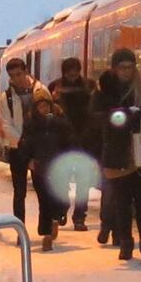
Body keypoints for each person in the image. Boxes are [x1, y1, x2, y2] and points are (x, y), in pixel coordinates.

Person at [94, 48, 141, 264]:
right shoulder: (104, 90)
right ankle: (126, 241)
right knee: (122, 201)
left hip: (140, 152)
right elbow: (96, 118)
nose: (127, 71)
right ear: (114, 69)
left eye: (130, 67)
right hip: (116, 152)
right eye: (122, 67)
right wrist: (121, 115)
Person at [0, 58, 45, 226]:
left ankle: (45, 227)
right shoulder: (5, 97)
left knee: (42, 189)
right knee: (19, 192)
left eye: (19, 74)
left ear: (26, 71)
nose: (17, 78)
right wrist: (22, 141)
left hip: (39, 148)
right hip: (18, 148)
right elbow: (6, 124)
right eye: (13, 75)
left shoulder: (40, 90)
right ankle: (20, 229)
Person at [48, 56, 97, 231]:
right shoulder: (57, 87)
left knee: (81, 180)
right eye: (69, 72)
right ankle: (63, 208)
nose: (72, 75)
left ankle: (79, 217)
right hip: (65, 141)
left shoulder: (87, 86)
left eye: (75, 71)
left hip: (82, 140)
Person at [22, 90, 76, 251]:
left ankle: (56, 218)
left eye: (45, 105)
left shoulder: (60, 121)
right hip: (40, 167)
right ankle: (46, 235)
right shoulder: (31, 123)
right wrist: (28, 160)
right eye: (40, 105)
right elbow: (25, 144)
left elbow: (69, 141)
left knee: (61, 198)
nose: (43, 108)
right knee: (44, 201)